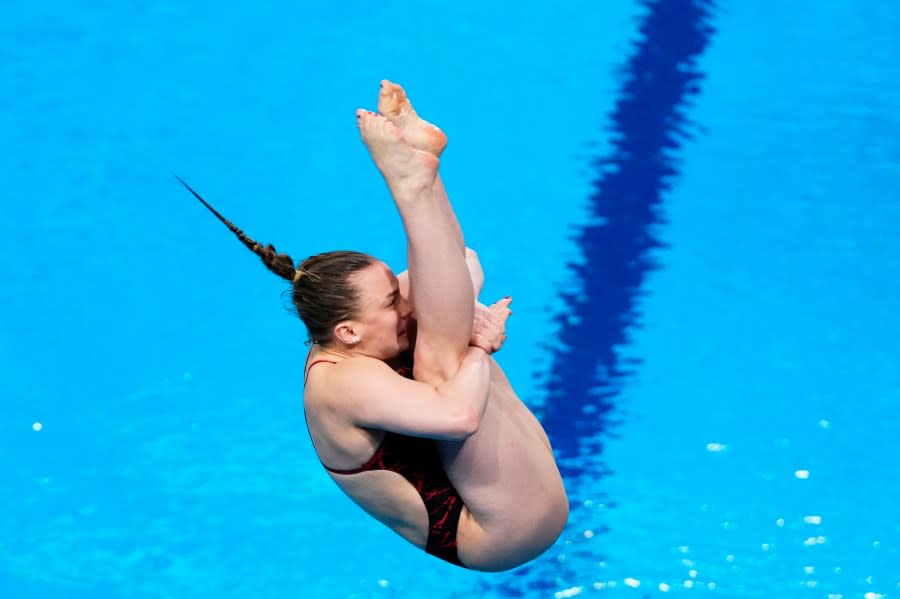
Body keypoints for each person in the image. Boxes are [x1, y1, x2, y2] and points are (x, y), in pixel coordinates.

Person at [180, 80, 568, 571]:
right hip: (496, 532)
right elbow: (459, 417)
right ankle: (410, 186)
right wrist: (479, 347)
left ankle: (422, 172)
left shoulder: (364, 331)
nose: (403, 306)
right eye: (391, 302)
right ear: (348, 333)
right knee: (441, 361)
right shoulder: (341, 383)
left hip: (522, 490)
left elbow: (462, 263)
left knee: (440, 316)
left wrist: (460, 307)